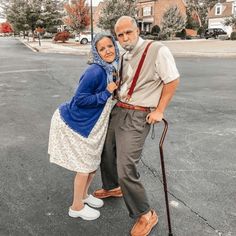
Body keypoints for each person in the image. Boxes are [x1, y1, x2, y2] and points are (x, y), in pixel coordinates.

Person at [93, 16, 180, 235]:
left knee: (126, 167)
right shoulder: (124, 54)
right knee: (106, 152)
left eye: (128, 33)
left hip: (138, 115)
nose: (124, 38)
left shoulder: (157, 50)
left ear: (137, 30)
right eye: (120, 35)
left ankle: (145, 214)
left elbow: (172, 80)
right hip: (119, 108)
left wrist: (159, 110)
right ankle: (113, 188)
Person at [48, 33, 119, 221]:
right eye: (102, 48)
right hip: (75, 123)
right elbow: (80, 99)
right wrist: (105, 93)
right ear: (96, 52)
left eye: (110, 46)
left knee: (92, 164)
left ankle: (84, 196)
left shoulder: (110, 68)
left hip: (93, 125)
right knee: (84, 166)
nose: (108, 51)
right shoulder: (95, 71)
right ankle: (76, 206)